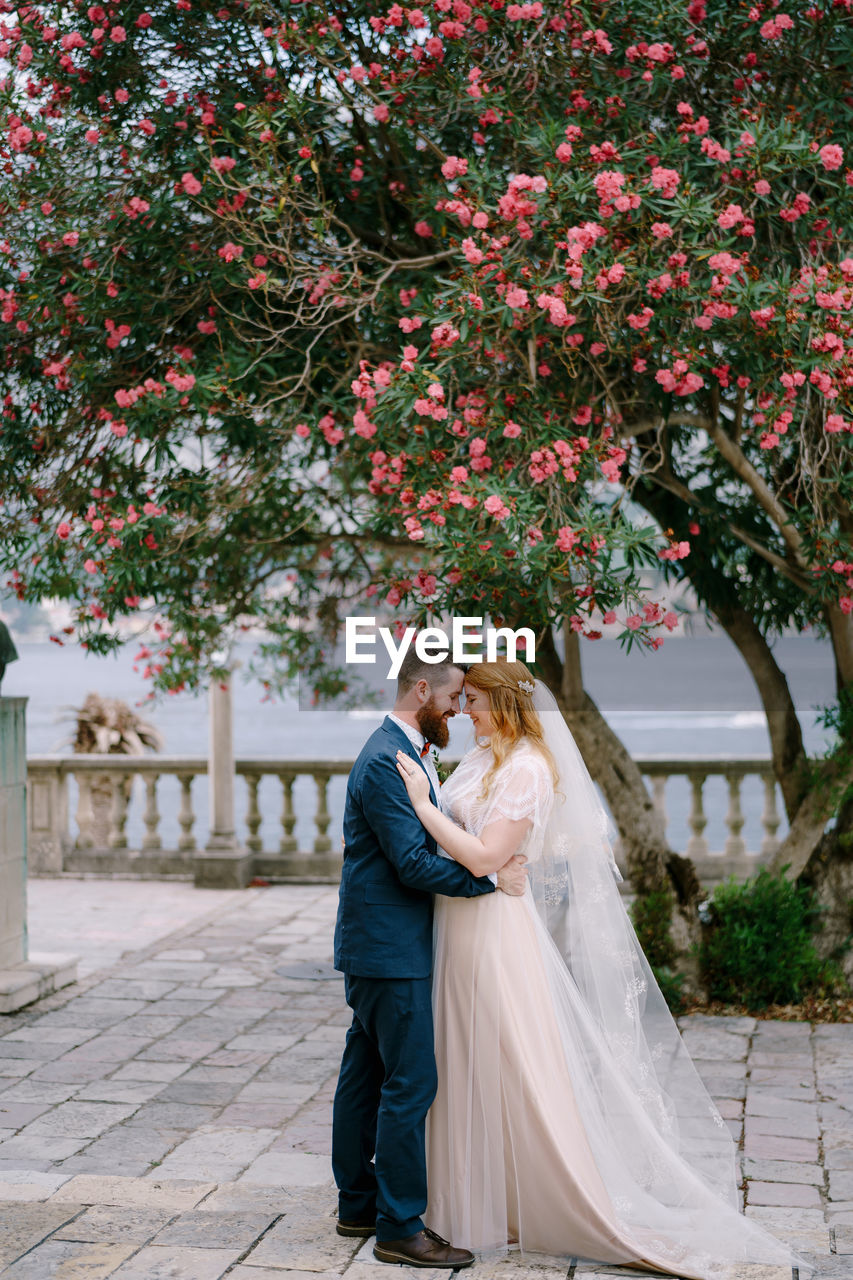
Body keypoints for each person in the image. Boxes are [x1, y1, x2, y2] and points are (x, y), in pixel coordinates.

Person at [394, 657, 802, 1280]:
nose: (462, 709)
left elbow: (482, 856)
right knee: (460, 1058)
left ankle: (547, 1193)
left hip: (493, 930)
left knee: (509, 1058)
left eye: (473, 700)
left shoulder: (529, 768)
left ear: (503, 705)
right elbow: (469, 847)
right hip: (454, 926)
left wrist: (422, 804)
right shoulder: (481, 758)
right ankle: (464, 1197)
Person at [332, 648, 529, 1271]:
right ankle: (400, 1227)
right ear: (422, 690)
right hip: (390, 948)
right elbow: (412, 863)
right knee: (410, 1084)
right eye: (450, 699)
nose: (456, 710)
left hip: (379, 943)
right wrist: (491, 881)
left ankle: (358, 1204)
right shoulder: (388, 760)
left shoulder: (406, 752)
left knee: (364, 1076)